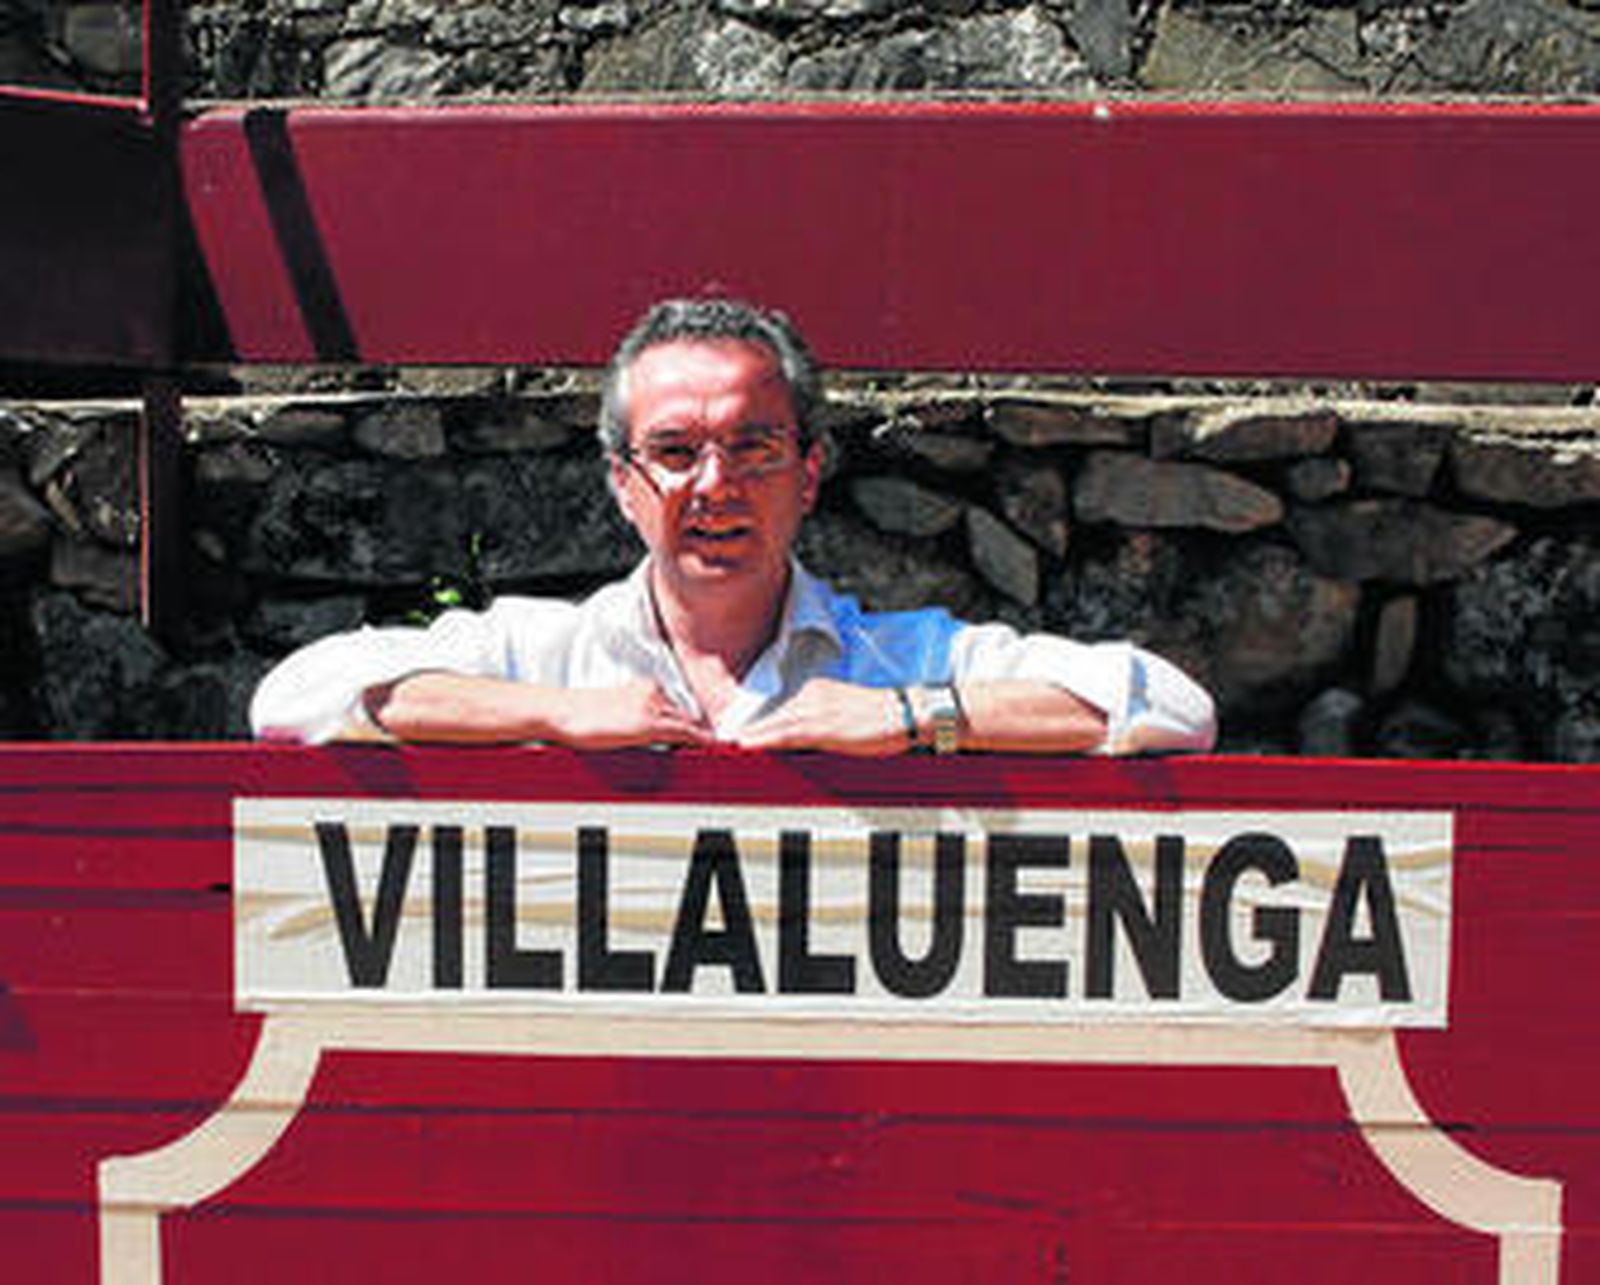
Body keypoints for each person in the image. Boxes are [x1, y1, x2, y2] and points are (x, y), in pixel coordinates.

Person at [250, 298, 1215, 756]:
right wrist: (553, 713)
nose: (715, 485)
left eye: (753, 451)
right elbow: (296, 697)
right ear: (623, 484)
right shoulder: (541, 650)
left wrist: (917, 717)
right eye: (675, 452)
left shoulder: (896, 659)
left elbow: (1172, 706)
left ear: (807, 474)